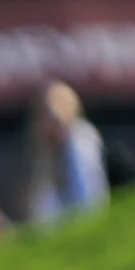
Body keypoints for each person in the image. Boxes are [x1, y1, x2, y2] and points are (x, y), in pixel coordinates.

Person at [25, 81, 109, 225]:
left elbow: (86, 200)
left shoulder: (80, 144)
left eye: (45, 114)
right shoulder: (50, 152)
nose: (40, 123)